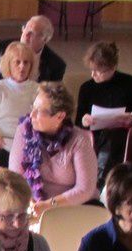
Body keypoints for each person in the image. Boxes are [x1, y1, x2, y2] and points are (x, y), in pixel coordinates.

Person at [9, 81, 98, 217]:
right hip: (33, 205)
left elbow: (85, 189)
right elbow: (15, 176)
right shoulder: (24, 131)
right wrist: (30, 201)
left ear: (59, 116)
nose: (31, 115)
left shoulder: (79, 140)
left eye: (39, 111)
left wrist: (49, 205)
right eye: (33, 107)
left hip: (74, 206)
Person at [75, 42, 132, 187]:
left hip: (124, 136)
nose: (93, 74)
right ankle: (106, 182)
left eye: (99, 71)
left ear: (113, 68)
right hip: (96, 136)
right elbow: (78, 121)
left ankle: (102, 181)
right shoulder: (87, 88)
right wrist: (85, 120)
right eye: (92, 70)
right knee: (109, 137)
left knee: (114, 137)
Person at [0, 15, 66, 104]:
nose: (26, 34)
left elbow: (52, 99)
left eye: (32, 33)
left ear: (45, 39)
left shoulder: (56, 64)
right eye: (25, 28)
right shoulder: (2, 47)